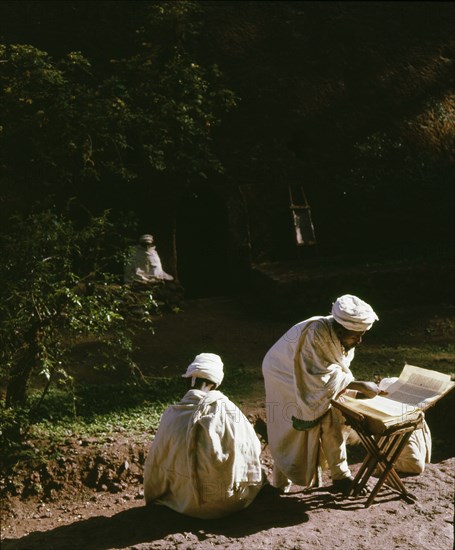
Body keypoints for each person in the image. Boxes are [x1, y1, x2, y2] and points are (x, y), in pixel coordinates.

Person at [262, 294, 382, 496]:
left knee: (331, 417)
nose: (359, 341)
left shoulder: (340, 338)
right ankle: (280, 483)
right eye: (355, 336)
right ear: (339, 329)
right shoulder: (315, 335)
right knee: (288, 430)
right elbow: (316, 382)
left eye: (362, 335)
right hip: (284, 377)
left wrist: (349, 386)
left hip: (311, 382)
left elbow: (331, 374)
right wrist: (359, 386)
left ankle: (340, 476)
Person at [143, 353, 264, 519]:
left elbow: (156, 462)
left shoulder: (171, 415)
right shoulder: (229, 410)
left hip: (184, 504)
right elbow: (253, 449)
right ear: (215, 383)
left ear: (188, 380)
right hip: (231, 503)